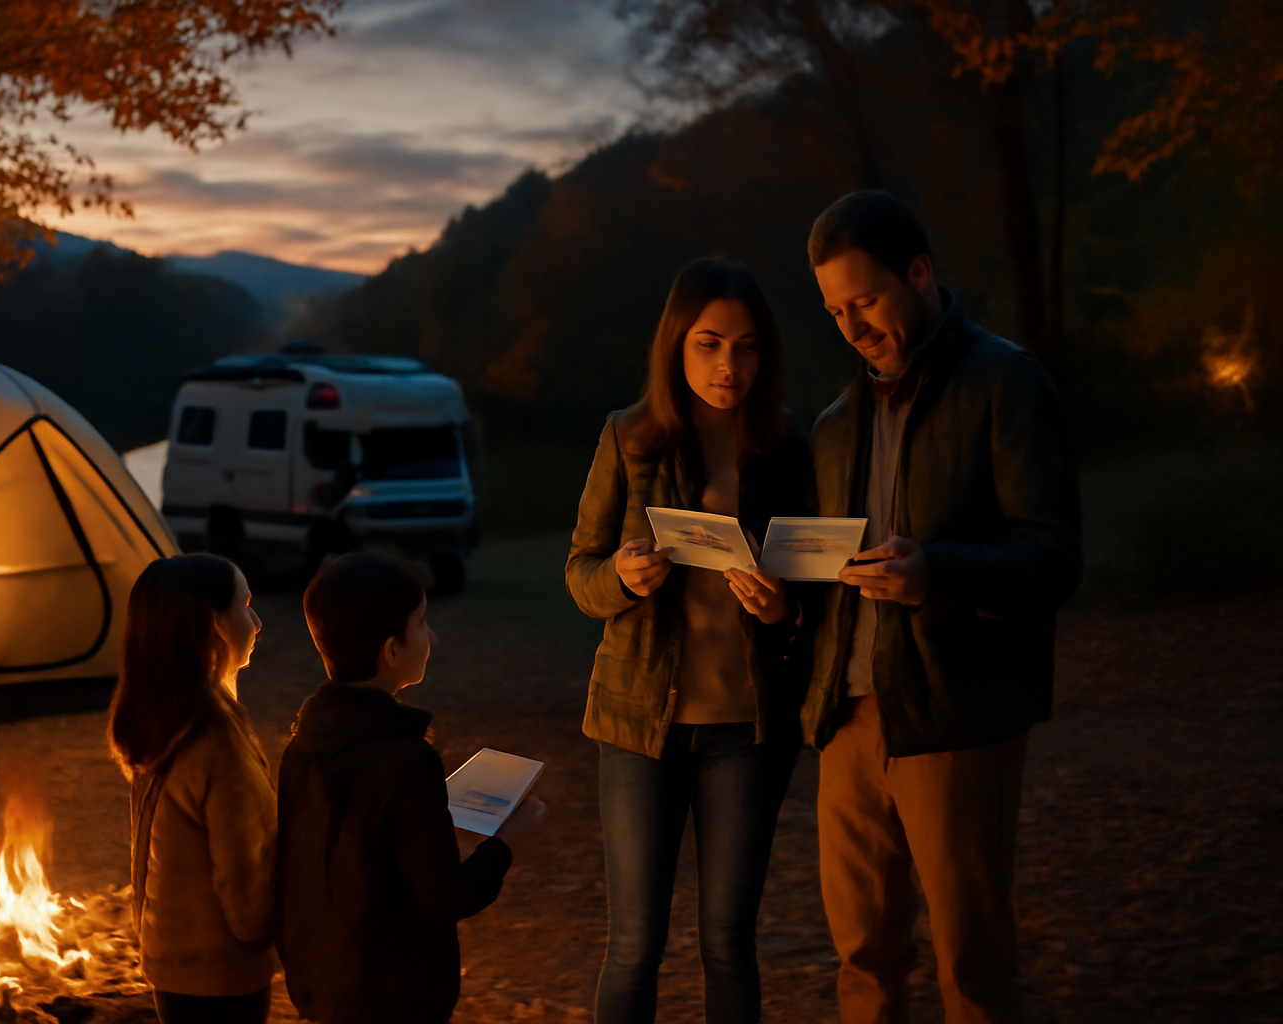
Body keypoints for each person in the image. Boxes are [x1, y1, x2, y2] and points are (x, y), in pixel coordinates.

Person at [802, 190, 1081, 1024]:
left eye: (867, 300)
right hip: (848, 722)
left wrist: (939, 573)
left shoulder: (1006, 382)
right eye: (833, 310)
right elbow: (830, 570)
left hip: (958, 718)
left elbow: (1054, 559)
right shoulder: (834, 424)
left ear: (919, 273)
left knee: (975, 970)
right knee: (861, 958)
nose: (851, 328)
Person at [566, 258, 816, 1024]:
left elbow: (815, 586)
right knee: (634, 945)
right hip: (641, 726)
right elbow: (580, 570)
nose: (728, 365)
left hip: (748, 730)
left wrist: (782, 610)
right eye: (708, 344)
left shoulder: (786, 448)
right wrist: (623, 577)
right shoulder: (629, 438)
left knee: (728, 942)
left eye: (745, 347)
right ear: (676, 344)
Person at [277, 552, 548, 1024]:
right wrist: (507, 846)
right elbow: (444, 897)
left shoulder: (301, 748)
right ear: (392, 650)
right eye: (422, 623)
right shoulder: (408, 762)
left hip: (321, 985)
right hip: (396, 997)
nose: (433, 636)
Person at [107, 554, 278, 1024]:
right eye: (245, 606)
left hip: (171, 962)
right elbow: (247, 904)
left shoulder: (159, 721)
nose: (258, 622)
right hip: (221, 975)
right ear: (214, 624)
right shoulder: (215, 743)